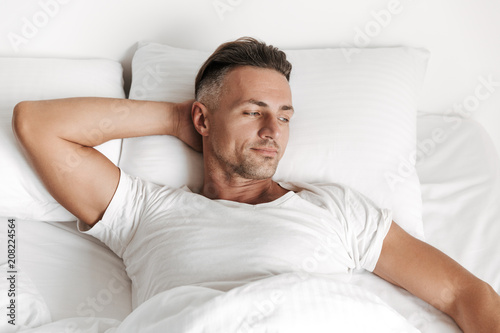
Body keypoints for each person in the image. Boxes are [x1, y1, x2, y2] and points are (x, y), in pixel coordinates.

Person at [12, 37, 500, 332]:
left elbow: (464, 293)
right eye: (253, 112)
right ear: (203, 119)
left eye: (284, 116)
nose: (273, 132)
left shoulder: (337, 208)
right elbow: (37, 123)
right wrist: (174, 117)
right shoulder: (144, 211)